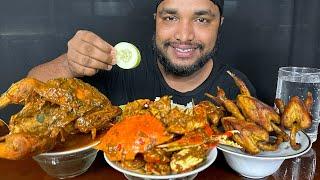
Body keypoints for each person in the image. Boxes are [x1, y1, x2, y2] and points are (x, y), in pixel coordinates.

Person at [28, 0, 256, 106]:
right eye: (170, 17)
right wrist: (69, 65)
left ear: (220, 24)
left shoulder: (237, 90)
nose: (184, 35)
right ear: (156, 21)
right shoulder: (116, 65)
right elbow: (30, 89)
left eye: (201, 19)